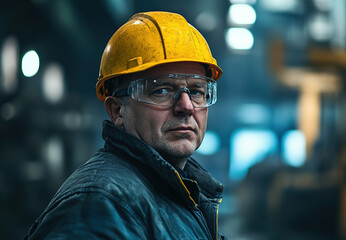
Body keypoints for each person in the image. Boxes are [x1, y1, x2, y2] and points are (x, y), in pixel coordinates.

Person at [25, 11, 225, 239]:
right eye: (161, 90)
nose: (186, 106)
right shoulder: (100, 203)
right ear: (117, 111)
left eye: (197, 91)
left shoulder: (181, 193)